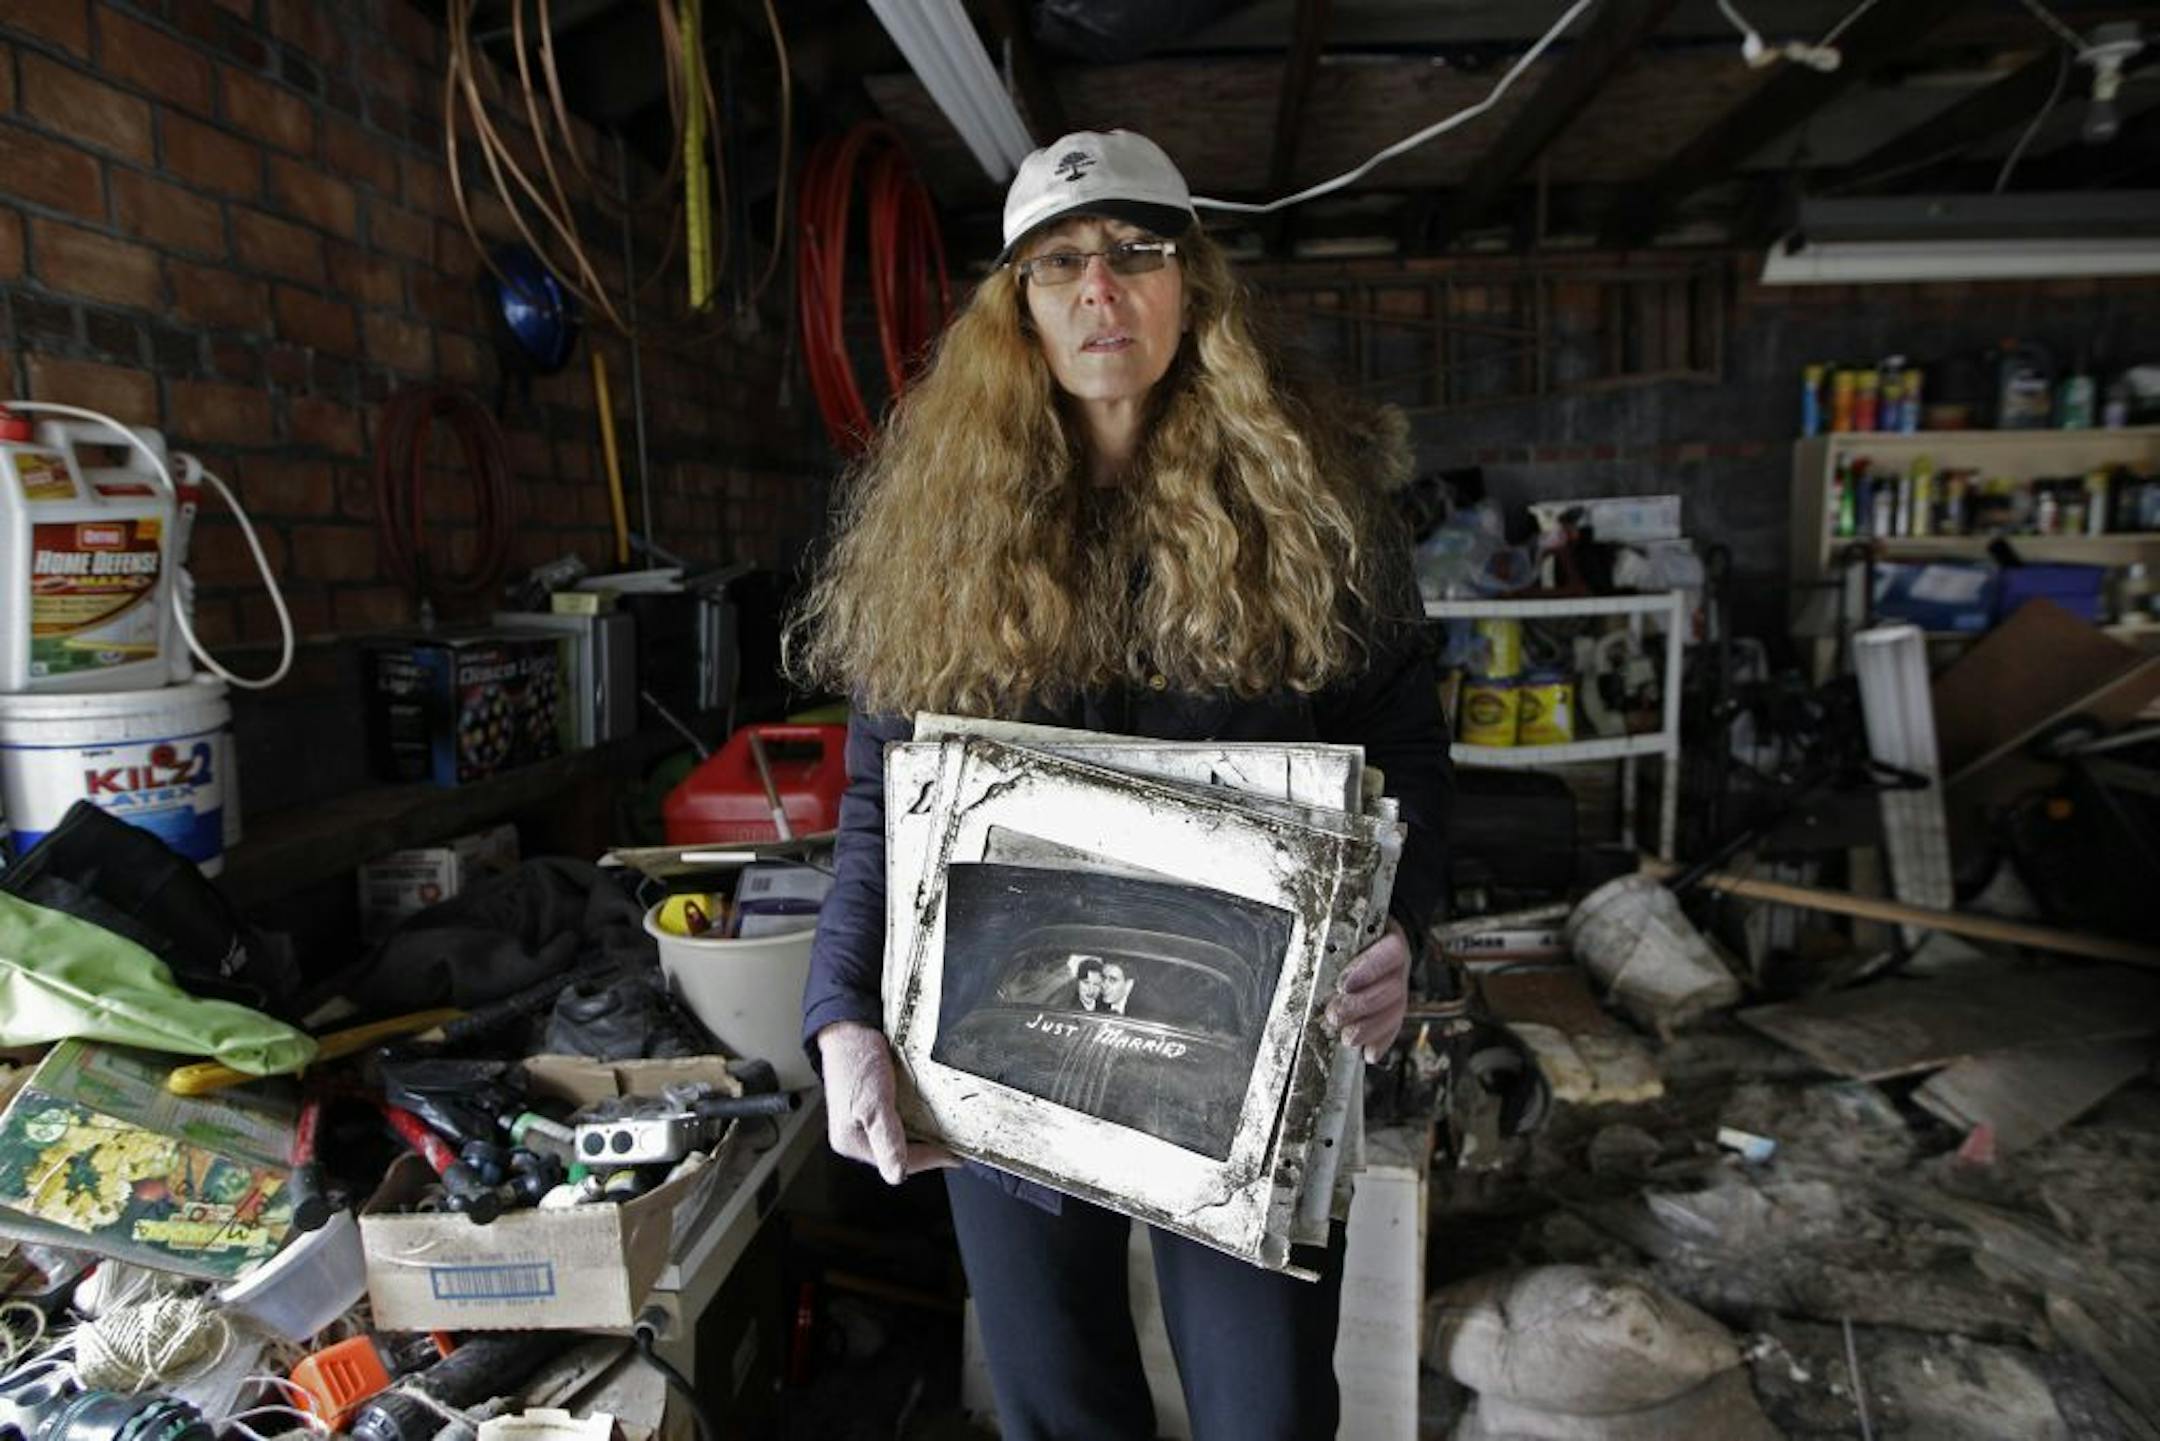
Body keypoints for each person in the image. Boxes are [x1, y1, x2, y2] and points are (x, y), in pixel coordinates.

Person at [791, 129, 1450, 1440]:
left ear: (1190, 285)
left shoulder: (1312, 509)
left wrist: (1404, 922)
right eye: (1062, 263)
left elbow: (1407, 743)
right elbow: (883, 790)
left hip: (1247, 1046)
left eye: (1139, 253)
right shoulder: (941, 530)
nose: (1103, 289)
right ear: (1021, 306)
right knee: (1059, 1406)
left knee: (1267, 1411)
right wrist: (840, 1012)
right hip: (1006, 1030)